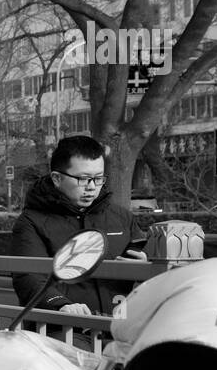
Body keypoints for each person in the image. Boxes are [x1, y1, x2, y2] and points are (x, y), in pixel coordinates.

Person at [10, 135, 147, 317]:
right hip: (65, 326)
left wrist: (146, 268)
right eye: (83, 179)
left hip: (119, 324)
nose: (92, 187)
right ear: (57, 178)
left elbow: (149, 267)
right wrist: (60, 305)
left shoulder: (122, 218)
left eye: (98, 178)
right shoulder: (31, 222)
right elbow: (28, 277)